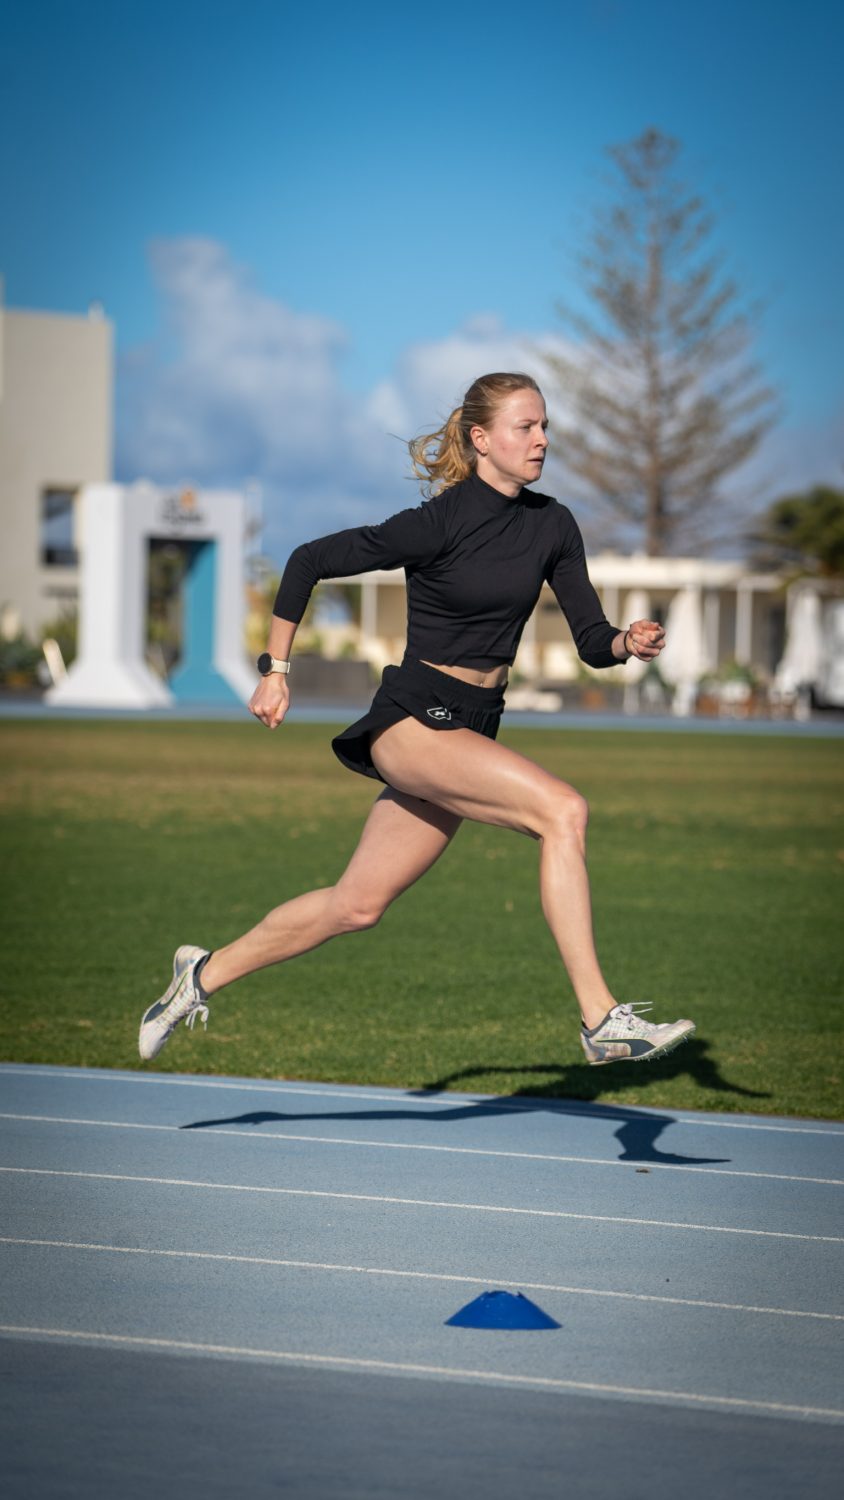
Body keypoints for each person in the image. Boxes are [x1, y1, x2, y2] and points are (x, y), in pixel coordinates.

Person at [139, 372, 695, 1067]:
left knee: (357, 906)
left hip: (470, 727)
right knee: (563, 811)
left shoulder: (554, 525)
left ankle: (201, 974)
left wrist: (626, 642)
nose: (543, 440)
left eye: (545, 426)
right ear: (482, 439)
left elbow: (591, 639)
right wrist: (276, 674)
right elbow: (308, 560)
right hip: (414, 724)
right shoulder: (440, 521)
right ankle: (600, 1019)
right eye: (526, 427)